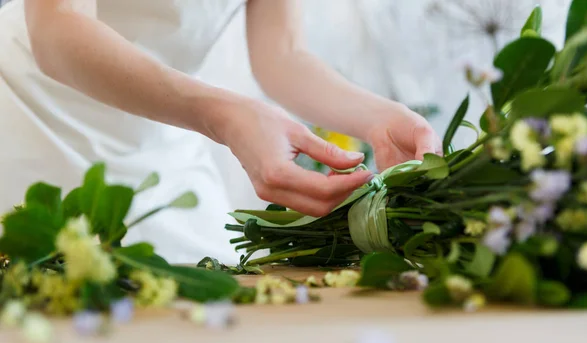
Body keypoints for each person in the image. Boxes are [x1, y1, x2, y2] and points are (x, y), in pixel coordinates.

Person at [0, 0, 442, 264]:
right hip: (33, 115)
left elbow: (283, 54)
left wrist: (378, 118)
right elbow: (55, 25)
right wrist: (223, 115)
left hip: (166, 137)